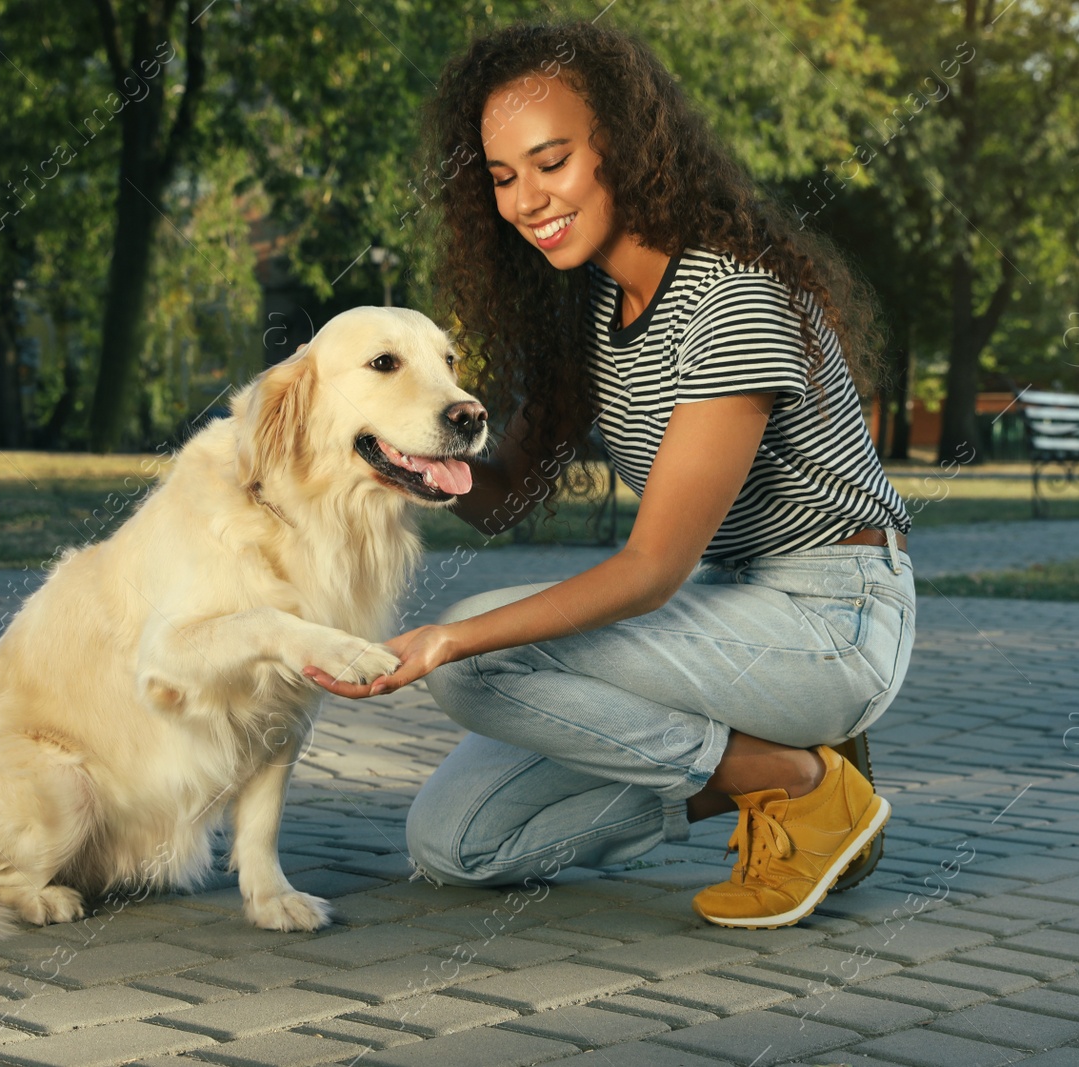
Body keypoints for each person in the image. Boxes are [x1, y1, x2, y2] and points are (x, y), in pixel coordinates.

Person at [303, 19, 916, 930]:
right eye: (503, 178)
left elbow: (649, 572)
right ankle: (773, 770)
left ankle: (795, 780)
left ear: (621, 146)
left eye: (551, 162)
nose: (525, 200)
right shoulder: (595, 307)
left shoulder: (734, 298)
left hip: (834, 618)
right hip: (723, 613)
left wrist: (441, 643)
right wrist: (385, 448)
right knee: (456, 843)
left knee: (472, 657)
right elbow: (496, 492)